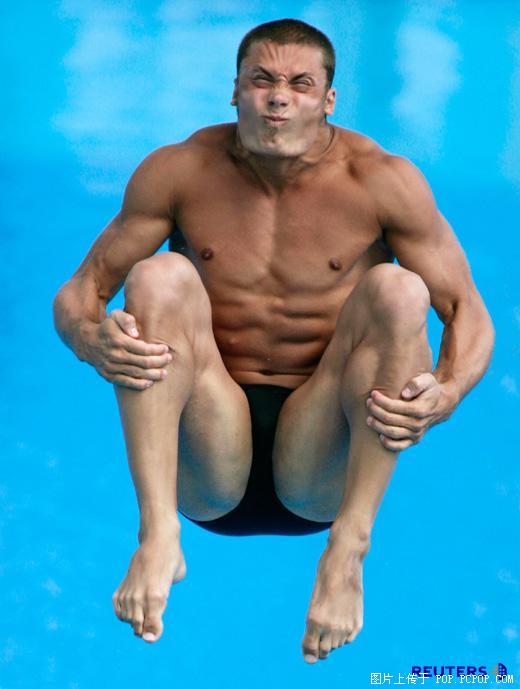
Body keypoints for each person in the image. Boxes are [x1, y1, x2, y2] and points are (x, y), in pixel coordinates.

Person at [53, 18, 495, 664]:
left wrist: (447, 393)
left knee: (401, 292)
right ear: (234, 91)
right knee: (159, 277)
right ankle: (156, 532)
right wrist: (95, 342)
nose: (278, 98)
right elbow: (78, 295)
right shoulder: (180, 172)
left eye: (299, 84)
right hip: (207, 449)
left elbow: (469, 313)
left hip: (322, 458)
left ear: (328, 100)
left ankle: (348, 551)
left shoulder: (381, 182)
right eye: (261, 80)